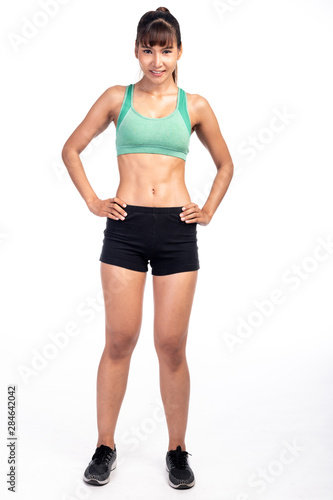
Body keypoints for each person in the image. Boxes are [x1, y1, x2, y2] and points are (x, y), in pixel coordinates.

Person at [61, 6, 233, 490]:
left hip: (178, 230)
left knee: (171, 346)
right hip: (127, 228)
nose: (157, 59)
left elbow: (225, 164)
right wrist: (95, 201)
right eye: (148, 48)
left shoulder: (194, 105)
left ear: (179, 52)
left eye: (166, 49)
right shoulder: (118, 98)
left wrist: (210, 210)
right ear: (136, 50)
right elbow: (70, 149)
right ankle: (105, 445)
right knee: (120, 341)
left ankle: (177, 450)